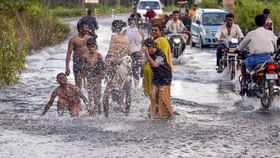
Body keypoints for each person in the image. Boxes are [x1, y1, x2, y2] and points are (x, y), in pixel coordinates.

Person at [237, 14, 277, 94]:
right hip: (269, 59)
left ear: (255, 23)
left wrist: (237, 50)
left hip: (256, 59)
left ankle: (244, 85)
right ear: (265, 23)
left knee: (243, 64)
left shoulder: (251, 33)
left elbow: (241, 46)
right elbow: (275, 44)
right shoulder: (270, 33)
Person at [103, 19, 131, 117]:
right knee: (127, 91)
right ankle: (127, 114)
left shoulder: (114, 37)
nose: (111, 28)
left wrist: (106, 64)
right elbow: (129, 52)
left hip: (117, 67)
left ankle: (106, 116)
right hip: (126, 66)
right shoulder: (126, 37)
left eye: (112, 26)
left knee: (106, 94)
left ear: (114, 27)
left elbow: (111, 53)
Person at [143, 38, 173, 119]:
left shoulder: (160, 53)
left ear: (151, 47)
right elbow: (142, 63)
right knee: (152, 95)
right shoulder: (148, 54)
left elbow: (155, 65)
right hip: (156, 75)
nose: (145, 50)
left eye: (146, 48)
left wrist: (146, 55)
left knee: (162, 98)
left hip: (165, 76)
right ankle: (152, 114)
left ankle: (171, 116)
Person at [143, 24, 173, 96]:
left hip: (160, 72)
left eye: (156, 30)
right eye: (152, 30)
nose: (154, 32)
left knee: (159, 96)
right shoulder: (153, 41)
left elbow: (161, 58)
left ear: (161, 31)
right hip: (154, 71)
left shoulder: (162, 41)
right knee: (154, 96)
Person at [65, 21, 91, 88]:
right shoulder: (73, 40)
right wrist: (67, 67)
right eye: (86, 28)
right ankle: (78, 98)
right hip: (77, 62)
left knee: (90, 83)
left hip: (87, 62)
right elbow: (68, 54)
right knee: (78, 84)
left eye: (88, 27)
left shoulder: (89, 38)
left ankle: (89, 98)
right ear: (80, 29)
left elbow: (94, 51)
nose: (88, 29)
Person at [84, 38, 106, 115]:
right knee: (90, 96)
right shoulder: (85, 56)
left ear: (95, 46)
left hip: (97, 78)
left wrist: (103, 75)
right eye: (89, 46)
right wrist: (84, 81)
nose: (91, 48)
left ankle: (99, 111)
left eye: (92, 46)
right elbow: (83, 69)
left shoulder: (99, 55)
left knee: (97, 96)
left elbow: (103, 67)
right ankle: (91, 112)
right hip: (89, 78)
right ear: (87, 47)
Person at [125, 18, 143, 87]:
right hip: (136, 52)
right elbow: (139, 41)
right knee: (135, 69)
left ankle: (129, 87)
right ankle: (136, 86)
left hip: (129, 52)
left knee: (129, 69)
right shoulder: (138, 30)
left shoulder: (125, 30)